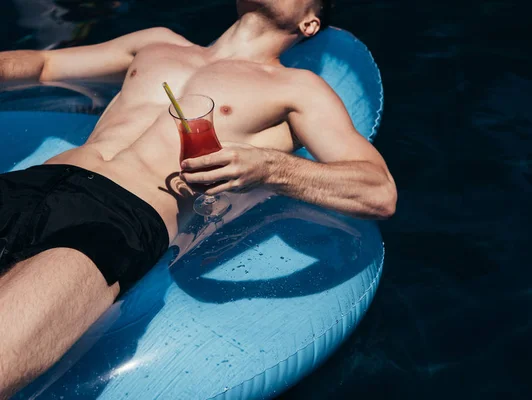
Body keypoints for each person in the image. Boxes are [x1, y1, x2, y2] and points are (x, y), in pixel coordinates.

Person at [0, 0, 396, 396]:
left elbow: (378, 190)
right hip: (31, 182)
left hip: (118, 219)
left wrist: (269, 169)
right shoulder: (157, 42)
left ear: (310, 23)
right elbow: (43, 66)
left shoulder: (298, 88)